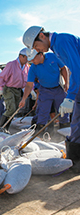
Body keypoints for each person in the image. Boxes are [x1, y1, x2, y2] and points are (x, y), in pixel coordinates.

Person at [23, 26, 80, 172]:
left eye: (37, 46)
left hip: (61, 88)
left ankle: (75, 159)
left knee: (75, 119)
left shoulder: (61, 41)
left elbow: (76, 68)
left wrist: (71, 94)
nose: (39, 49)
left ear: (42, 35)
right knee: (77, 121)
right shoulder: (56, 46)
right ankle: (75, 159)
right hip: (49, 90)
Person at [19, 49, 69, 136]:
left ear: (40, 54)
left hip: (58, 89)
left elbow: (63, 68)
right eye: (31, 60)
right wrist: (23, 99)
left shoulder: (52, 57)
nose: (33, 61)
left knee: (63, 112)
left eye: (34, 59)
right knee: (43, 113)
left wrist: (66, 83)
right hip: (45, 91)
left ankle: (65, 136)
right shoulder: (33, 68)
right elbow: (29, 85)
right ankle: (39, 136)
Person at [0, 48, 30, 133]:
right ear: (20, 56)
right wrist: (1, 88)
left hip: (18, 91)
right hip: (9, 89)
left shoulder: (27, 67)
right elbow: (2, 77)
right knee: (11, 108)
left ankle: (6, 128)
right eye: (26, 57)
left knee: (14, 111)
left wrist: (31, 90)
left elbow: (27, 81)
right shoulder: (11, 64)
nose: (27, 60)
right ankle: (1, 128)